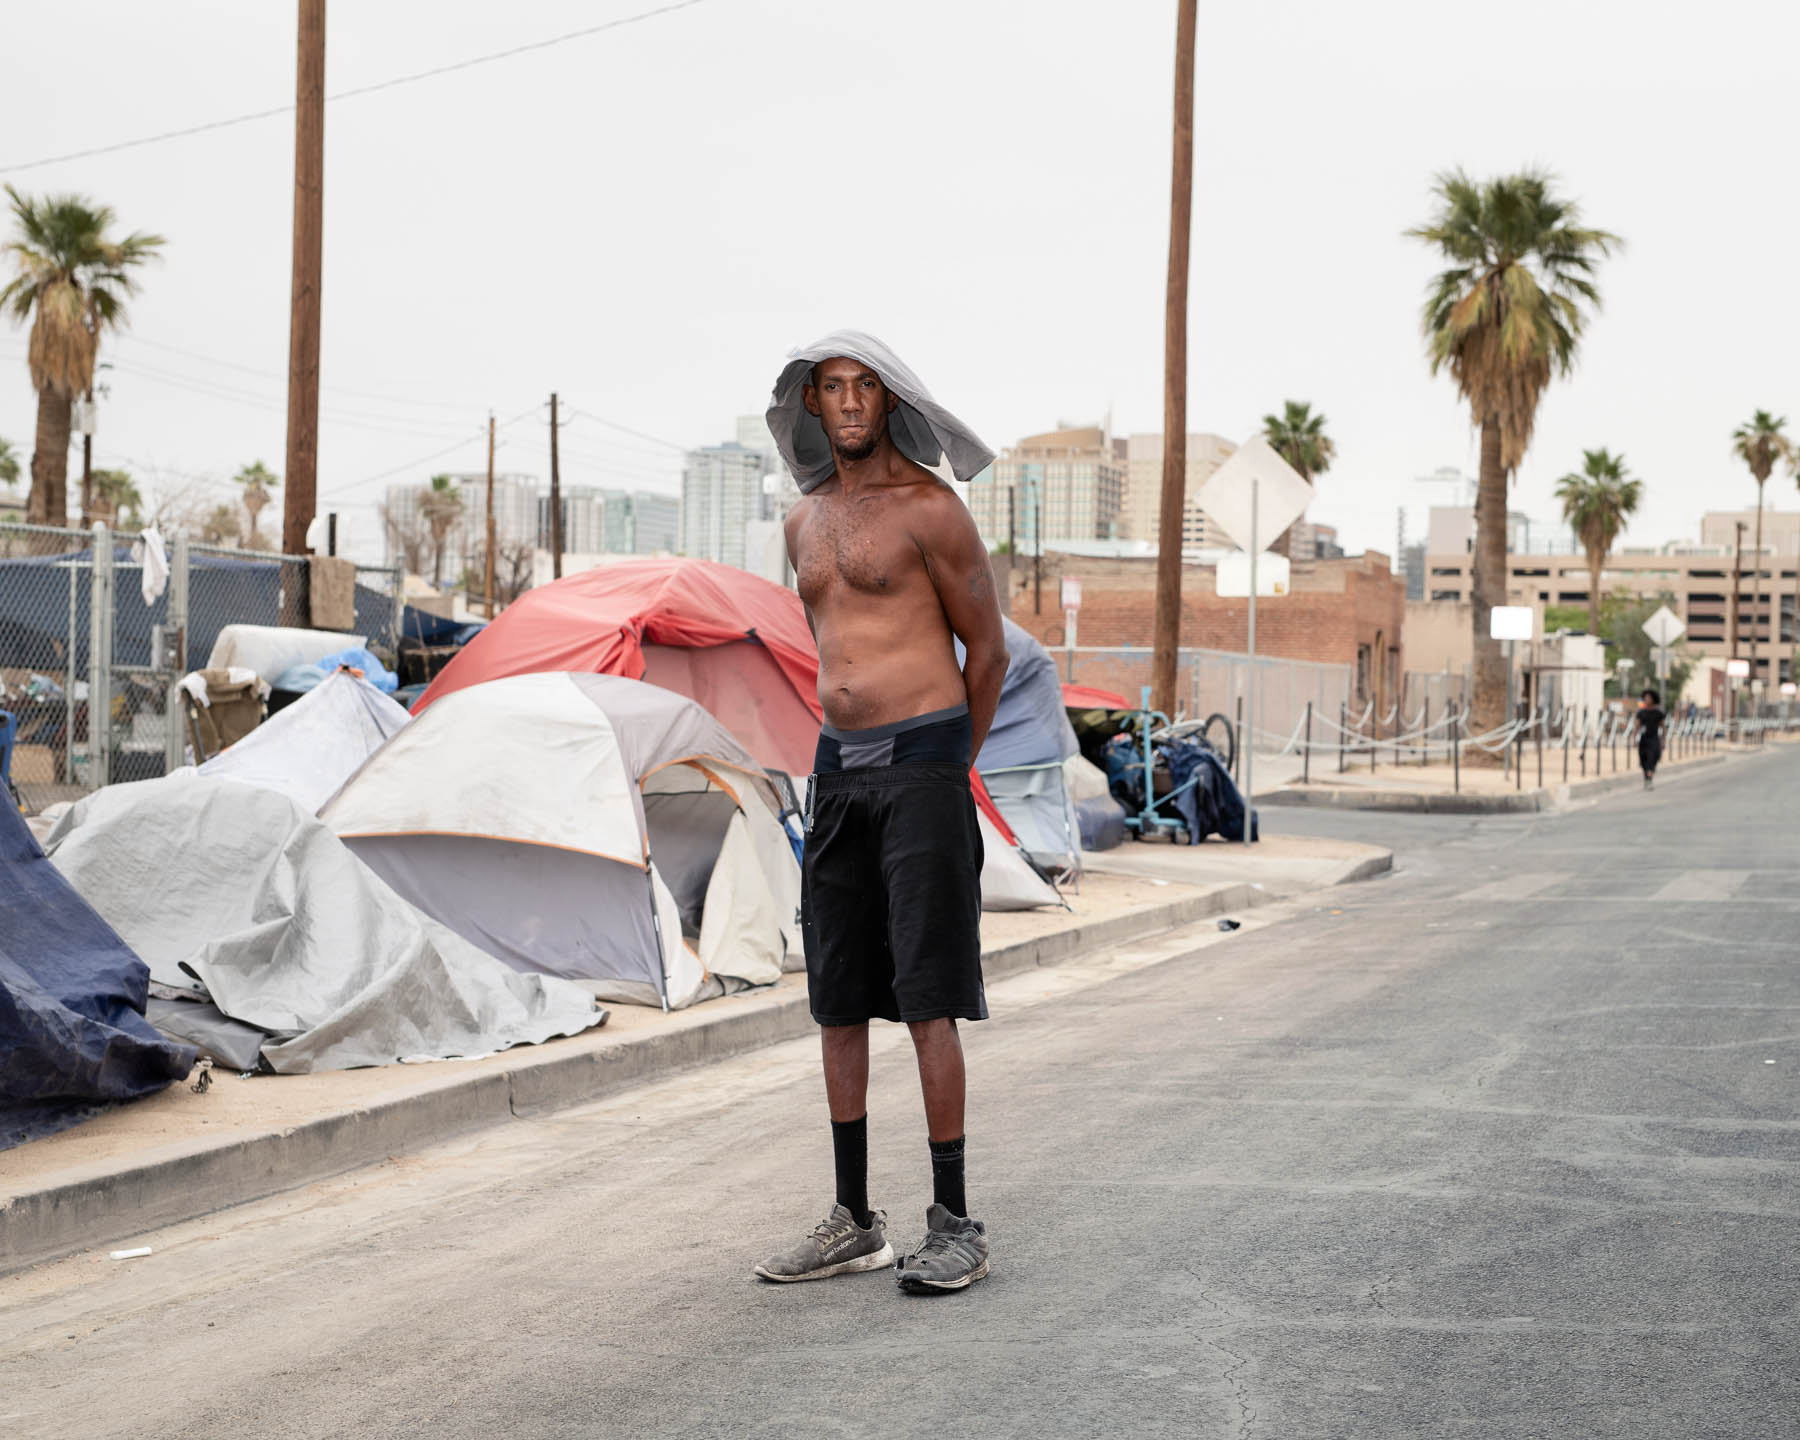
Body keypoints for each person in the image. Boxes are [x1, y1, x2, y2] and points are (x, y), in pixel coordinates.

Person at [752, 332, 1007, 1294]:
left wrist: (948, 768)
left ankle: (957, 1220)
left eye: (865, 386)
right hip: (837, 773)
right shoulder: (802, 525)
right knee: (838, 999)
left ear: (888, 399)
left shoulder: (934, 512)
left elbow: (988, 652)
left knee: (928, 997)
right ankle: (854, 1220)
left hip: (923, 766)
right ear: (811, 404)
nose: (849, 402)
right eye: (832, 388)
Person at [1637, 687, 1665, 788]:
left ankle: (1649, 778)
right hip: (1643, 739)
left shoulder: (1658, 713)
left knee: (1652, 758)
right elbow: (1637, 725)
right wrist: (1634, 738)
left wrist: (1663, 741)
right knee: (1643, 759)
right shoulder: (1641, 712)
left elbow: (1663, 727)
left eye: (1649, 698)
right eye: (1645, 698)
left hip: (1654, 739)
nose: (1647, 700)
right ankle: (1647, 778)